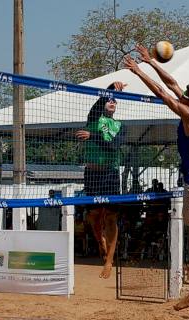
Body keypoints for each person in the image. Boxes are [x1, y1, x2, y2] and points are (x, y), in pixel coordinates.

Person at [124, 45, 189, 311]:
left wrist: (137, 71)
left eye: (186, 96)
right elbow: (173, 83)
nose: (183, 95)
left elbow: (162, 92)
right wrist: (152, 62)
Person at [75, 81, 126, 279]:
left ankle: (109, 260)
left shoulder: (121, 126)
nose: (112, 102)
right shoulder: (94, 118)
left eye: (115, 101)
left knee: (111, 218)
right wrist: (112, 87)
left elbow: (113, 147)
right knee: (94, 215)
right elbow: (99, 102)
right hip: (93, 174)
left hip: (111, 174)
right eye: (109, 100)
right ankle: (100, 241)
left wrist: (93, 136)